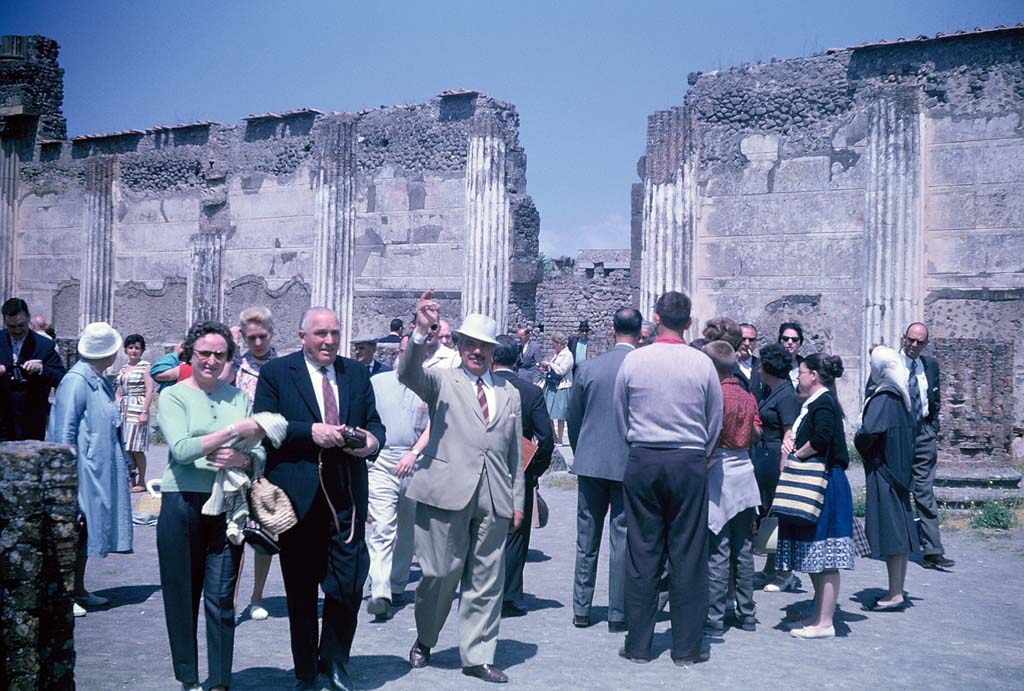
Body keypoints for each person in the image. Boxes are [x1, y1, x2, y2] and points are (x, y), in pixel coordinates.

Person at [253, 307, 384, 691]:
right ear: (302, 336)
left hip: (346, 497)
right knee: (301, 590)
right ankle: (307, 672)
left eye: (335, 334)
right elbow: (264, 425)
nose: (329, 341)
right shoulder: (277, 373)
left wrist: (374, 440)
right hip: (297, 499)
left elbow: (374, 422)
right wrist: (310, 431)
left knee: (348, 585)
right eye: (321, 334)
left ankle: (336, 661)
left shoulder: (356, 373)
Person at [398, 290, 525, 685]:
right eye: (471, 344)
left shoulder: (510, 394)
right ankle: (426, 638)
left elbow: (513, 453)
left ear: (493, 351)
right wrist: (421, 331)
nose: (477, 352)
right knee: (439, 574)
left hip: (494, 498)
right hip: (445, 492)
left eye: (485, 347)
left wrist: (518, 500)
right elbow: (408, 373)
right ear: (460, 345)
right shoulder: (441, 380)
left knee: (487, 579)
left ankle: (478, 655)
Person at [156, 321, 267, 691]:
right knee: (182, 595)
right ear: (190, 353)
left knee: (221, 597)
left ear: (229, 358)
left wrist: (244, 460)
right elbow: (182, 450)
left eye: (220, 354)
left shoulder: (238, 397)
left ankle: (220, 681)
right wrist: (232, 435)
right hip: (182, 502)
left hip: (227, 506)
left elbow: (260, 449)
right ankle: (188, 678)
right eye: (204, 353)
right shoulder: (173, 396)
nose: (211, 360)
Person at [613, 291, 722, 665]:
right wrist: (700, 453)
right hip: (689, 459)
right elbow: (715, 419)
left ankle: (638, 644)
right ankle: (687, 648)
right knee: (688, 553)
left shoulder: (634, 362)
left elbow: (620, 414)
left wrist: (637, 444)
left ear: (655, 318)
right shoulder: (704, 364)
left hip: (643, 457)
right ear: (689, 323)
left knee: (642, 551)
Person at [46, 322, 133, 618]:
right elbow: (64, 429)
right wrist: (66, 475)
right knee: (75, 529)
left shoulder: (99, 379)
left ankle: (79, 588)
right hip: (81, 470)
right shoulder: (76, 380)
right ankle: (65, 592)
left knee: (86, 531)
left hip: (97, 469)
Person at [566, 306, 641, 632]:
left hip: (591, 460)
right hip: (628, 462)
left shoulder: (588, 368)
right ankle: (617, 613)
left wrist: (583, 446)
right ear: (639, 333)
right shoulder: (643, 368)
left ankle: (581, 610)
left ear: (612, 330)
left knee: (587, 538)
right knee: (622, 539)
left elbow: (573, 417)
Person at [778, 353, 854, 640]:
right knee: (815, 553)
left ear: (814, 376)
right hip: (818, 482)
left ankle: (825, 622)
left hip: (824, 483)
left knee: (826, 555)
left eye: (802, 372)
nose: (798, 377)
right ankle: (819, 613)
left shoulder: (823, 402)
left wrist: (796, 455)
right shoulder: (816, 403)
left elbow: (822, 437)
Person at [702, 340, 762, 635]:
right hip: (745, 470)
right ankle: (747, 611)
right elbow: (758, 430)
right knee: (744, 547)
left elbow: (709, 435)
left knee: (719, 548)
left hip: (720, 470)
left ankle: (714, 616)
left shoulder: (714, 395)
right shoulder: (748, 395)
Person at [366, 335, 427, 621]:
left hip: (417, 461)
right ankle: (379, 590)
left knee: (408, 528)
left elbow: (437, 425)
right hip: (383, 459)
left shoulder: (428, 386)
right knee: (381, 526)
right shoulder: (378, 383)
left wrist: (415, 453)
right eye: (404, 351)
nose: (407, 357)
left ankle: (398, 583)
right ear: (397, 353)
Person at [493, 334, 554, 618]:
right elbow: (546, 439)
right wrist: (533, 471)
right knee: (516, 534)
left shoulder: (483, 389)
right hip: (520, 470)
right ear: (518, 359)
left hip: (483, 468)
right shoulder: (531, 392)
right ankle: (510, 594)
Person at [855, 346, 920, 610]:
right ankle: (897, 589)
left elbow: (869, 431)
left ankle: (895, 594)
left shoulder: (884, 398)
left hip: (885, 472)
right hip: (899, 473)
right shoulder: (902, 398)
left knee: (893, 533)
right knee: (900, 533)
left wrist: (860, 444)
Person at [232, 306, 279, 622]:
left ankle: (257, 596)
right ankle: (230, 599)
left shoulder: (284, 366)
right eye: (251, 338)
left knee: (265, 529)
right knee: (233, 528)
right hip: (238, 456)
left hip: (272, 456)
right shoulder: (235, 366)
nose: (257, 343)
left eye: (262, 336)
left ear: (271, 333)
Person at [900, 322, 953, 570]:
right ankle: (897, 545)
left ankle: (932, 550)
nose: (914, 345)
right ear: (903, 338)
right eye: (911, 340)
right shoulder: (891, 364)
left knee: (924, 489)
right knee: (898, 489)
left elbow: (935, 399)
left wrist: (931, 430)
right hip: (897, 435)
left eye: (920, 342)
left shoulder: (930, 365)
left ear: (925, 344)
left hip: (923, 433)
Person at [753, 343, 802, 591]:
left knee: (777, 514)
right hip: (764, 458)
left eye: (762, 364)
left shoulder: (785, 395)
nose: (758, 369)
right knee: (767, 515)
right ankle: (770, 567)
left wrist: (785, 466)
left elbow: (789, 433)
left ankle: (783, 571)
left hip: (775, 459)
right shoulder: (770, 391)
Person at [0, 297, 66, 441]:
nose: (17, 330)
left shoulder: (44, 345)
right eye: (12, 327)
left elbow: (62, 379)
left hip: (31, 423)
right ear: (5, 322)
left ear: (29, 318)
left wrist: (42, 369)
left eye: (21, 325)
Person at [116, 334, 154, 492]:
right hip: (123, 408)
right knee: (126, 447)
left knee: (137, 447)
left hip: (138, 407)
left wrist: (144, 412)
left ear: (142, 350)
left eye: (137, 348)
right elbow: (119, 389)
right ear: (126, 349)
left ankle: (142, 481)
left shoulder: (146, 366)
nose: (133, 350)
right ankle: (131, 480)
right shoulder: (124, 368)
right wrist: (117, 403)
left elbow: (150, 390)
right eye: (131, 347)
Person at [540, 331, 573, 445]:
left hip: (562, 386)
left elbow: (562, 370)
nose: (552, 346)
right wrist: (546, 369)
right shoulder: (557, 354)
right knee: (547, 412)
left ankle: (560, 437)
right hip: (552, 385)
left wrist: (550, 364)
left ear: (559, 343)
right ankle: (553, 435)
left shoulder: (568, 355)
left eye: (554, 344)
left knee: (560, 414)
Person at [736, 323, 765, 401]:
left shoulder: (763, 366)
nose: (747, 343)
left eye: (751, 340)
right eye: (743, 339)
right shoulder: (727, 365)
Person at [777, 322, 804, 391]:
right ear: (780, 340)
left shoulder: (806, 365)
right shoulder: (770, 365)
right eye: (785, 338)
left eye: (794, 339)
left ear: (800, 342)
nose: (790, 342)